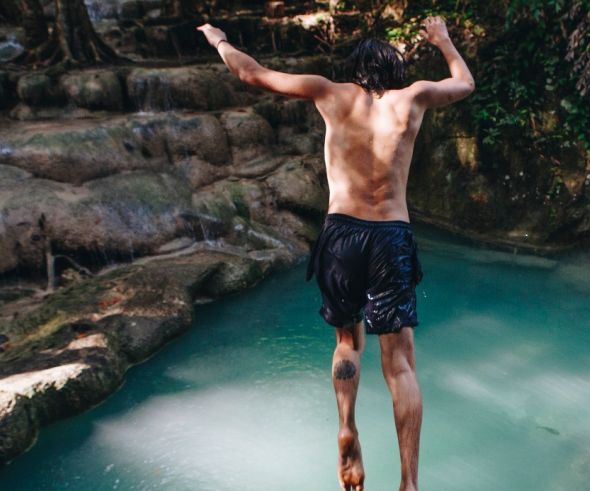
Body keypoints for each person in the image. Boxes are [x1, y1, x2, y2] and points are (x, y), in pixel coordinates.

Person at [198, 15, 475, 491]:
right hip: (391, 234)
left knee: (347, 343)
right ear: (395, 70)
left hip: (342, 233)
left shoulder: (329, 93)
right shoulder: (413, 98)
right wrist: (443, 40)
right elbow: (465, 82)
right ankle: (409, 482)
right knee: (401, 362)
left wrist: (218, 38)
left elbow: (251, 74)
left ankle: (347, 426)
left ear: (355, 69)